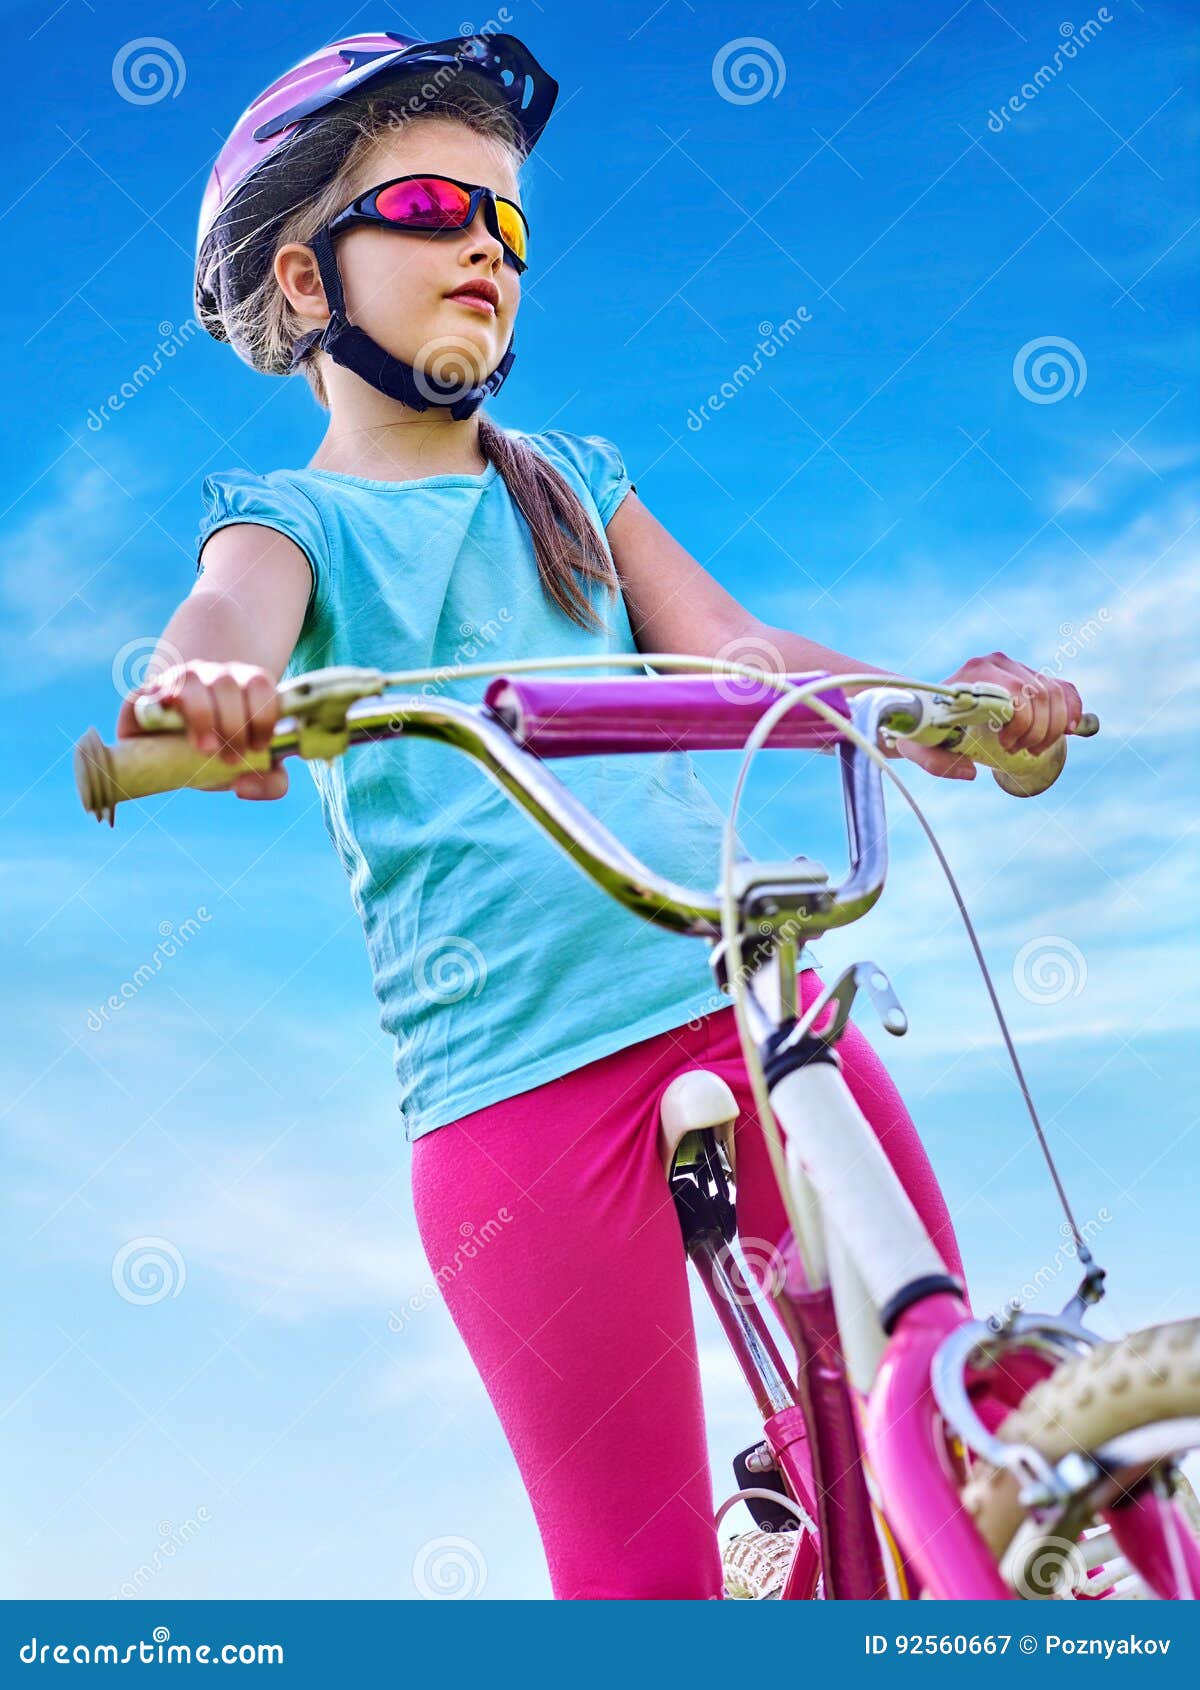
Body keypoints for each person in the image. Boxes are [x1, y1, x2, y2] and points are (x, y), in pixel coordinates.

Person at [118, 31, 1085, 1600]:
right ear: (306, 282)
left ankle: (860, 1519)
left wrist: (942, 707)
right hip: (512, 1087)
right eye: (434, 206)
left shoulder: (570, 482)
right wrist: (203, 695)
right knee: (633, 1578)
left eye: (506, 223)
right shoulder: (295, 520)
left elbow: (747, 658)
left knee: (936, 1408)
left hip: (738, 1008)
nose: (487, 249)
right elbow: (224, 617)